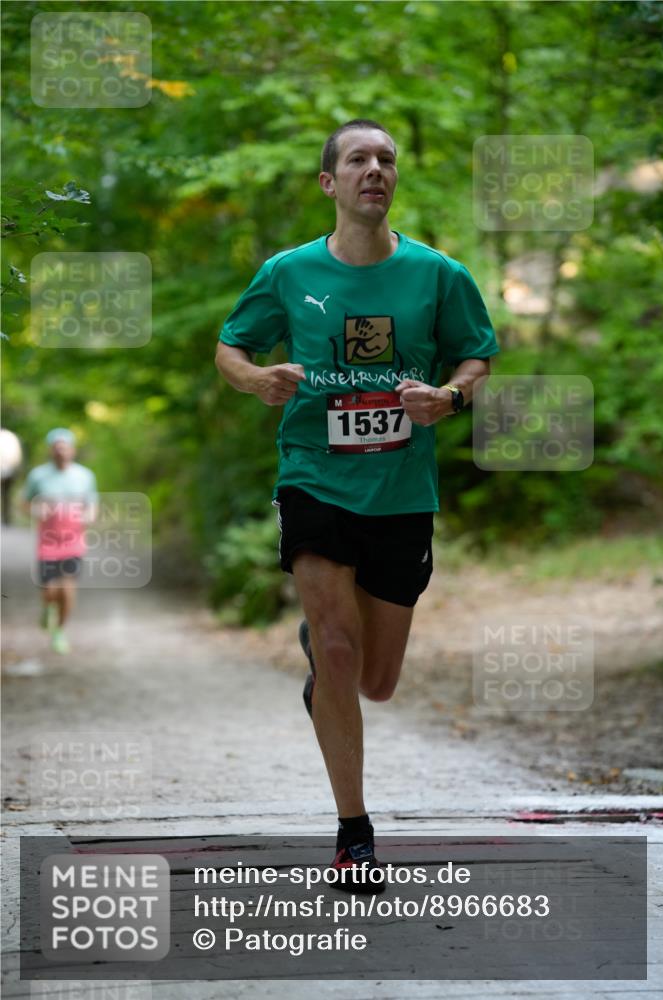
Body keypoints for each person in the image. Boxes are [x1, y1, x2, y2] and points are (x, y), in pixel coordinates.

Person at [215, 119, 499, 892]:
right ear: (329, 183)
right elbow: (229, 346)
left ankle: (330, 647)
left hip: (402, 490)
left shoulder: (438, 274)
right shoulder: (285, 271)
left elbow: (476, 350)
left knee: (375, 680)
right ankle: (353, 833)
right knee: (335, 654)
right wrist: (255, 379)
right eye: (357, 160)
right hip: (312, 475)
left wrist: (448, 395)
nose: (374, 169)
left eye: (385, 159)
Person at [23, 428, 98, 654]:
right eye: (57, 448)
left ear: (72, 450)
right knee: (49, 591)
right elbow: (25, 502)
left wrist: (89, 515)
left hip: (74, 540)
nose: (61, 452)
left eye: (65, 447)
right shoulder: (38, 476)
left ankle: (60, 631)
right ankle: (48, 608)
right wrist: (36, 509)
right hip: (48, 541)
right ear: (51, 450)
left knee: (67, 589)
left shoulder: (85, 476)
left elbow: (92, 503)